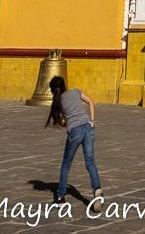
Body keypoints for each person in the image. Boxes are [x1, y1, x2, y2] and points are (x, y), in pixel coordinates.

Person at [46, 75, 102, 208]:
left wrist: (67, 122)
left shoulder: (59, 101)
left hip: (75, 131)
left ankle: (60, 197)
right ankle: (97, 189)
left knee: (66, 164)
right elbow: (90, 102)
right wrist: (92, 120)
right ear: (65, 85)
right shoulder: (76, 92)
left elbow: (64, 120)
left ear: (53, 90)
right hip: (88, 128)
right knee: (90, 161)